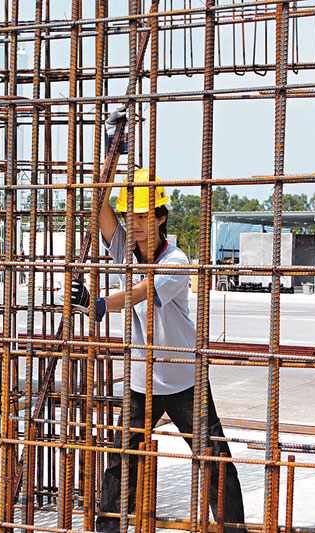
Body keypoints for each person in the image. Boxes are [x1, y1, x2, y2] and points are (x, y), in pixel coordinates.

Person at [69, 166, 247, 533]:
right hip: (140, 380)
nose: (132, 224)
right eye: (129, 216)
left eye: (141, 216)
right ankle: (108, 529)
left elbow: (143, 291)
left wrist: (98, 304)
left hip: (184, 380)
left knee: (214, 458)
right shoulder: (122, 248)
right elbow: (98, 208)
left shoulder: (176, 261)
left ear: (161, 217)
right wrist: (113, 158)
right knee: (122, 462)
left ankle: (234, 529)